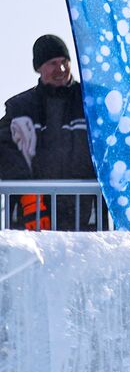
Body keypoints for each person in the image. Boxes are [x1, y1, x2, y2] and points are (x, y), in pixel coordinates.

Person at [0, 35, 99, 230]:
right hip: (31, 218)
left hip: (86, 216)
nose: (61, 69)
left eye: (64, 62)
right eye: (53, 63)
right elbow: (3, 149)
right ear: (38, 68)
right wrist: (27, 194)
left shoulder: (93, 103)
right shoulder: (20, 108)